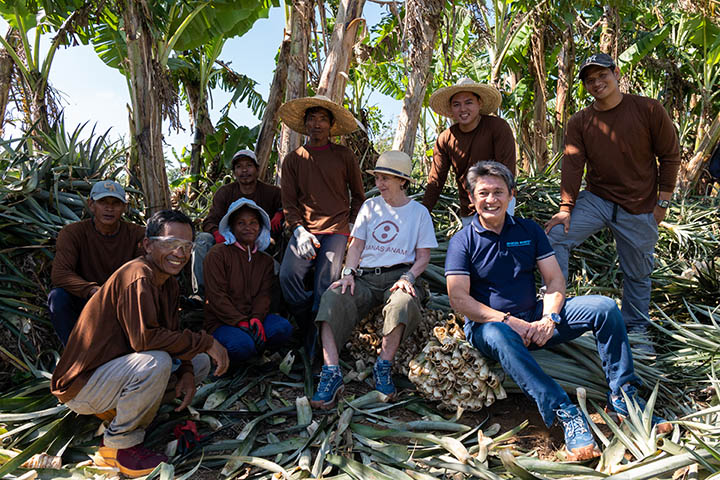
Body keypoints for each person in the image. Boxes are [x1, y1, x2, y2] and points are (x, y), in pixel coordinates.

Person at [445, 161, 671, 461]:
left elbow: (554, 280)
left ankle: (625, 398)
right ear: (472, 198)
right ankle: (564, 411)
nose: (491, 200)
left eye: (498, 192)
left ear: (511, 195)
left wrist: (549, 317)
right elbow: (458, 299)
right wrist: (508, 321)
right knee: (500, 335)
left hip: (534, 316)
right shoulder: (463, 240)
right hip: (488, 326)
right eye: (483, 193)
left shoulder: (528, 230)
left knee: (603, 307)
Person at [50, 210, 229, 478]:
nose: (179, 253)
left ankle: (123, 414)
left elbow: (171, 333)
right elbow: (144, 340)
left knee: (198, 361)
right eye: (170, 244)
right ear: (148, 245)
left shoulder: (167, 284)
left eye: (186, 246)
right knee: (156, 361)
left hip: (113, 376)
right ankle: (118, 447)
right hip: (83, 387)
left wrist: (188, 372)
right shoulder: (139, 276)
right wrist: (206, 341)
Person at [544, 53, 680, 341]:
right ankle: (555, 312)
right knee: (556, 235)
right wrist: (566, 208)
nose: (597, 83)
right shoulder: (580, 121)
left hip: (639, 204)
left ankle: (637, 330)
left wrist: (663, 202)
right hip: (598, 199)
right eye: (590, 80)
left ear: (616, 73)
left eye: (602, 76)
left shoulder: (648, 110)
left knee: (638, 273)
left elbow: (670, 156)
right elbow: (572, 165)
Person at [310, 151, 437, 409]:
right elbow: (356, 246)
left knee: (402, 303)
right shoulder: (370, 207)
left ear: (402, 181)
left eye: (385, 179)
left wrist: (408, 276)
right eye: (377, 178)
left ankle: (383, 366)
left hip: (399, 275)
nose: (379, 184)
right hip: (365, 277)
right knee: (331, 298)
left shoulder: (419, 213)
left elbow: (423, 257)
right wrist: (348, 273)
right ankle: (331, 373)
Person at [277, 94, 365, 357]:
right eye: (312, 119)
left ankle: (316, 351)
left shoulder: (343, 155)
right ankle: (308, 325)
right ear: (305, 124)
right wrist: (299, 230)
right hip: (305, 231)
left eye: (322, 120)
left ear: (330, 125)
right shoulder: (294, 159)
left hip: (337, 229)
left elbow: (359, 195)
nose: (317, 124)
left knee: (325, 284)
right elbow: (289, 204)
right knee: (288, 277)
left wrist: (351, 225)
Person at [49, 180, 145, 345]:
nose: (109, 208)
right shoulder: (73, 233)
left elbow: (145, 270)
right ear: (91, 204)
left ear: (124, 207)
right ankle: (73, 352)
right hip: (86, 298)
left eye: (116, 203)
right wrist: (93, 290)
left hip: (124, 301)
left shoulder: (137, 234)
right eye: (103, 202)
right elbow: (60, 274)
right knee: (58, 298)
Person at [203, 198, 293, 367]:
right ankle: (237, 356)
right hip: (222, 322)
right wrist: (240, 321)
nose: (248, 228)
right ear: (232, 227)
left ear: (260, 227)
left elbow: (264, 294)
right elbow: (217, 296)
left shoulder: (264, 261)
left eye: (253, 223)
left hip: (252, 320)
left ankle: (254, 350)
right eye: (241, 223)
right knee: (242, 345)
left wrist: (257, 319)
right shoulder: (218, 255)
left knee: (283, 328)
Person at [423, 77, 517, 225]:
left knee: (499, 245)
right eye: (456, 104)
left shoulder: (497, 127)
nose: (463, 109)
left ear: (479, 103)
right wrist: (423, 211)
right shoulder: (446, 139)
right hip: (468, 206)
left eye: (468, 102)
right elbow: (436, 180)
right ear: (451, 109)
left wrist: (496, 201)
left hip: (498, 201)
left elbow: (506, 171)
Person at [192, 149, 283, 298]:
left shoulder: (271, 192)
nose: (244, 170)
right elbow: (210, 220)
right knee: (203, 240)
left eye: (249, 165)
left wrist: (280, 213)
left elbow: (290, 204)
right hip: (228, 243)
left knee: (276, 270)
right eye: (239, 167)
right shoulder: (225, 192)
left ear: (257, 169)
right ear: (234, 171)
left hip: (258, 246)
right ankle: (201, 295)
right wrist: (218, 234)